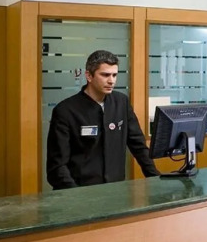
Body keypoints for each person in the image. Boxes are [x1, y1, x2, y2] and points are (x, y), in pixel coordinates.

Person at [46, 50, 159, 189]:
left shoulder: (121, 102)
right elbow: (57, 166)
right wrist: (75, 195)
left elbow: (139, 146)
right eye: (105, 75)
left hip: (115, 189)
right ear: (89, 75)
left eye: (114, 75)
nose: (111, 81)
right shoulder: (65, 110)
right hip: (80, 191)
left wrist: (156, 180)